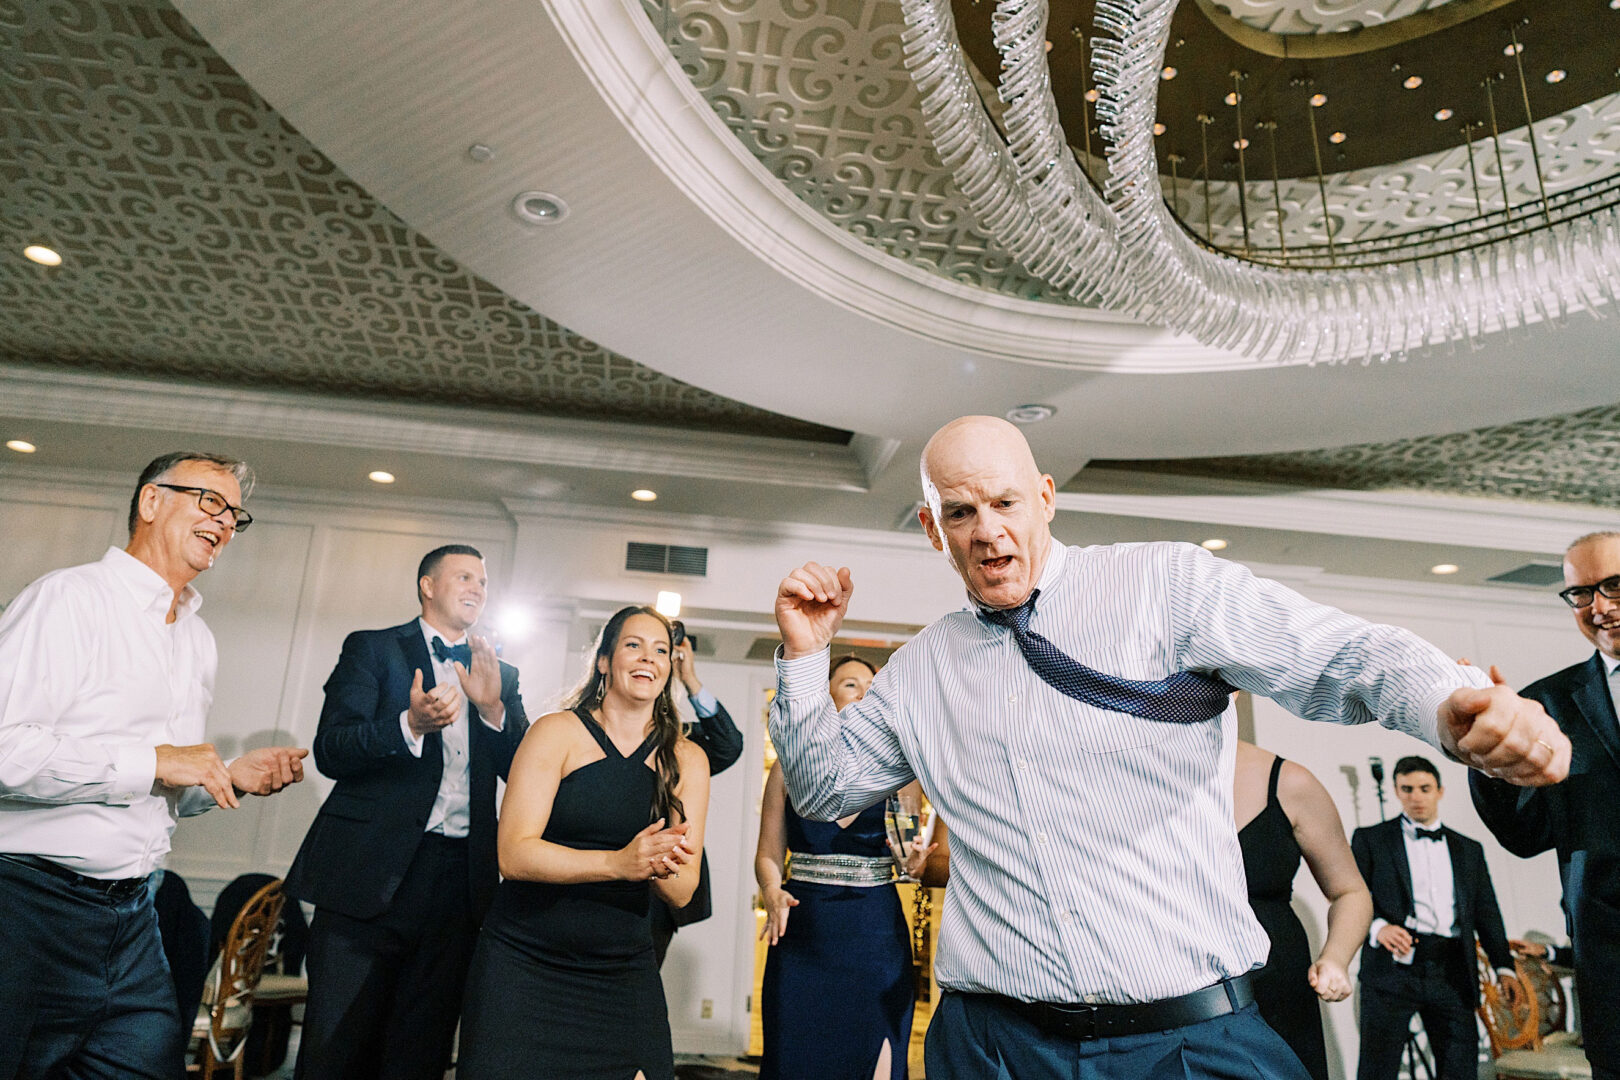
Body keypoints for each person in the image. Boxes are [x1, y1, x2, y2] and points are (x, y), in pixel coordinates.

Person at [767, 415, 1569, 1080]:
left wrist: (1447, 701)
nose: (989, 532)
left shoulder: (1165, 588)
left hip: (1187, 1042)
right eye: (961, 513)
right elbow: (825, 790)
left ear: (1046, 498)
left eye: (1006, 503)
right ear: (931, 528)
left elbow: (1334, 652)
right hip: (993, 1049)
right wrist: (805, 659)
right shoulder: (921, 672)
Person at [0, 451, 308, 1080]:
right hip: (28, 911)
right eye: (210, 502)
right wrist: (156, 760)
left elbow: (162, 785)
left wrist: (231, 775)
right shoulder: (69, 599)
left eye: (234, 514)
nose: (225, 522)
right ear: (150, 502)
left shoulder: (197, 638)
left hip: (136, 917)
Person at [285, 544, 528, 1080]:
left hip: (460, 883)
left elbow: (525, 772)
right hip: (367, 872)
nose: (476, 589)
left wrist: (492, 708)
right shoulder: (373, 649)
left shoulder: (500, 673)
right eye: (464, 576)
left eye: (483, 582)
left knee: (420, 1048)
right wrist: (408, 726)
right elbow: (332, 750)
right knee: (336, 1045)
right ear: (427, 585)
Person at [457, 605, 710, 1080]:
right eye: (633, 645)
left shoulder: (687, 759)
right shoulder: (555, 733)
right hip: (523, 961)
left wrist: (660, 865)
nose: (648, 658)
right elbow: (513, 854)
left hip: (621, 971)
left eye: (661, 650)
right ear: (603, 661)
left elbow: (681, 891)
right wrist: (618, 863)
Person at [1471, 529, 1620, 1079]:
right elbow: (1526, 834)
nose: (1598, 607)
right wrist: (1484, 756)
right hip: (1611, 961)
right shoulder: (1546, 705)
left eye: (1614, 585)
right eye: (1581, 593)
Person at [757, 654, 945, 1080]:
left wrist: (914, 862)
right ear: (825, 696)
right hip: (804, 932)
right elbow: (768, 852)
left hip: (874, 936)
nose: (863, 693)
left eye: (870, 687)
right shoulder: (790, 767)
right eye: (850, 684)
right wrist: (771, 889)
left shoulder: (899, 773)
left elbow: (904, 851)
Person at [1351, 755, 1512, 1079]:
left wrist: (1503, 966)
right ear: (1396, 791)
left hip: (1451, 971)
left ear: (1439, 791)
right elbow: (1351, 896)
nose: (1416, 797)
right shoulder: (1370, 839)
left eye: (1424, 788)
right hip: (1392, 971)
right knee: (1376, 1070)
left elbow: (1486, 911)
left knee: (1459, 1069)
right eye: (1407, 789)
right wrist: (1378, 927)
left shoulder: (1469, 849)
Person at [1233, 740, 1370, 1080]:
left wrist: (1335, 958)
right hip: (1178, 998)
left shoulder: (1289, 782)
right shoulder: (1134, 777)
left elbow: (1350, 891)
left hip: (1276, 988)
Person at [649, 632, 743, 967]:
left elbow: (728, 745)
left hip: (656, 892)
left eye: (659, 650)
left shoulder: (679, 741)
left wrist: (689, 678)